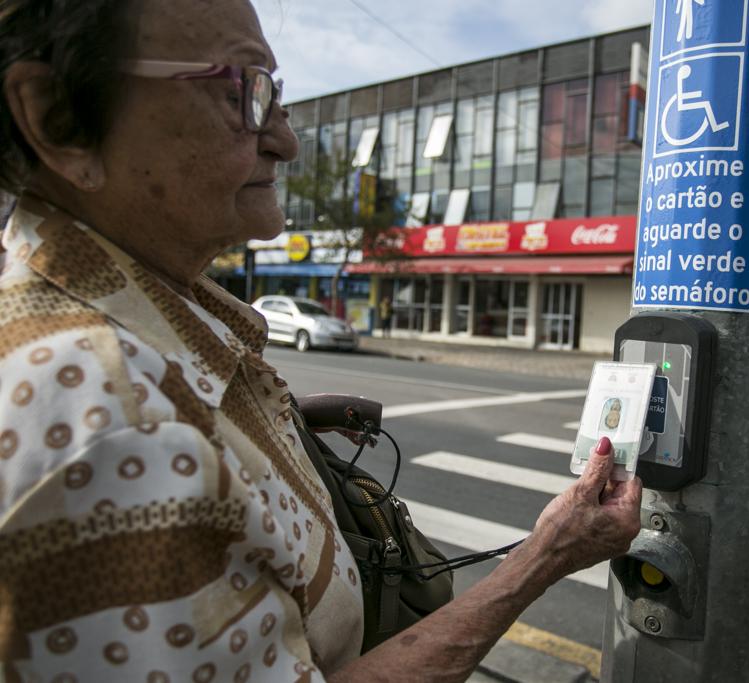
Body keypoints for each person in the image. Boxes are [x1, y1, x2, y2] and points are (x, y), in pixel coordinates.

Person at [0, 1, 642, 681]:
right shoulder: (120, 435)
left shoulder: (144, 358)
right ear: (54, 119)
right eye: (240, 90)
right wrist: (545, 555)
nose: (285, 140)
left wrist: (267, 435)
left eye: (273, 92)